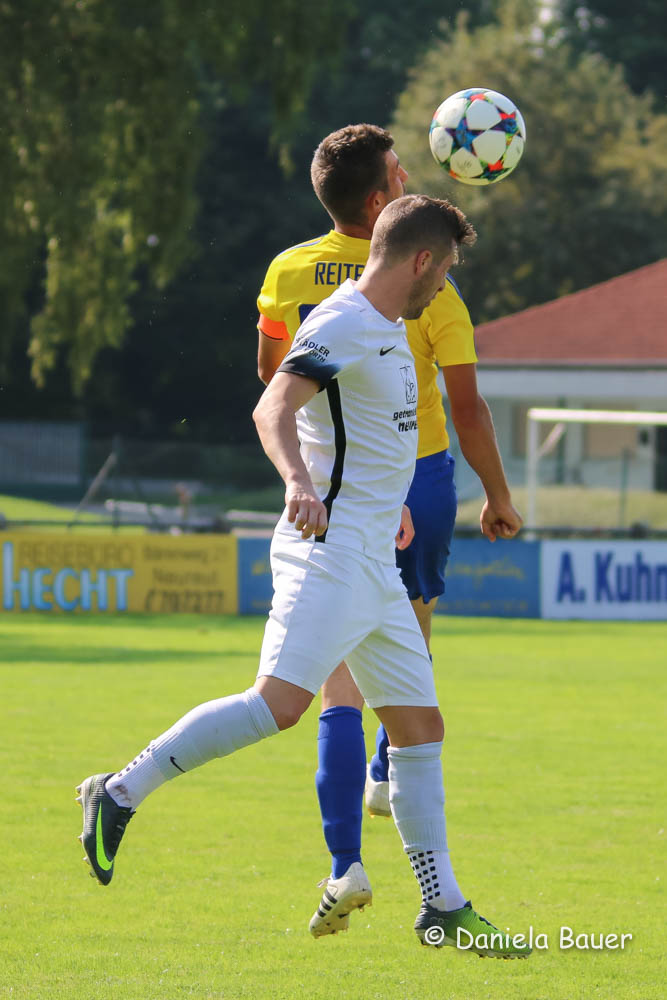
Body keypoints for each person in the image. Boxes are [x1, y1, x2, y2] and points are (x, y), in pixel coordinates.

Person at [76, 195, 531, 959]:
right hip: (328, 551)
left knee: (419, 729)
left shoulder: (389, 326)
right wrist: (297, 483)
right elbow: (273, 408)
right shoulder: (344, 321)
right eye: (445, 269)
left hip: (373, 556)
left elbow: (361, 435)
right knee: (277, 706)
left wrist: (388, 504)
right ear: (421, 260)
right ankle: (118, 792)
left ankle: (441, 906)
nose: (444, 284)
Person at [256, 125, 522, 935]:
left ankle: (346, 863)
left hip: (331, 473)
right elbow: (466, 406)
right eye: (402, 175)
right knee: (407, 667)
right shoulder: (430, 285)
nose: (413, 180)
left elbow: (272, 377)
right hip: (417, 477)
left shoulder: (289, 270)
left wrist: (306, 466)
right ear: (380, 205)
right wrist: (497, 494)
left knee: (334, 680)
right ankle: (388, 777)